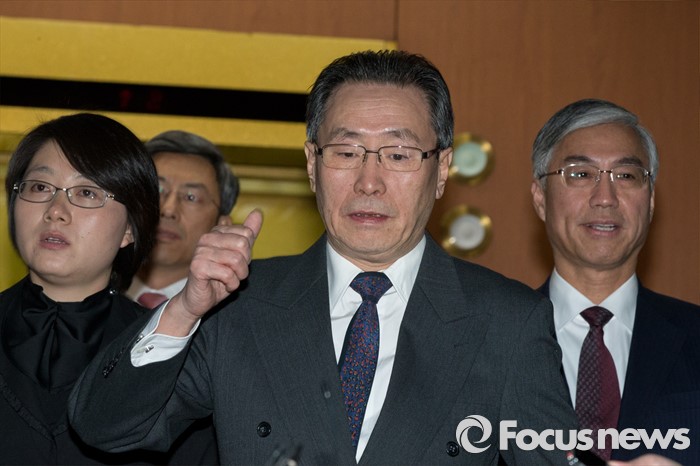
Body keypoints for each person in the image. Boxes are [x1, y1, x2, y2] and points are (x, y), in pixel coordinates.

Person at [69, 50, 577, 465]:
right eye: (346, 152)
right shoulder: (238, 305)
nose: (369, 182)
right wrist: (183, 309)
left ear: (441, 170)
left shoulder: (507, 322)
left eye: (398, 155)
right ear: (312, 163)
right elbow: (106, 428)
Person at [0, 113, 216, 464]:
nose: (56, 211)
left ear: (130, 229)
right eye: (39, 187)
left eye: (86, 192)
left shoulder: (170, 355)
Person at [531, 99, 700, 465]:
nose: (605, 199)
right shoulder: (484, 345)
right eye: (580, 174)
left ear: (650, 201)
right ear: (540, 198)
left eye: (626, 176)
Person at [125, 130, 239, 308]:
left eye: (191, 197)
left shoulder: (239, 313)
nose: (168, 210)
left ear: (222, 225)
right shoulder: (85, 294)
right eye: (156, 190)